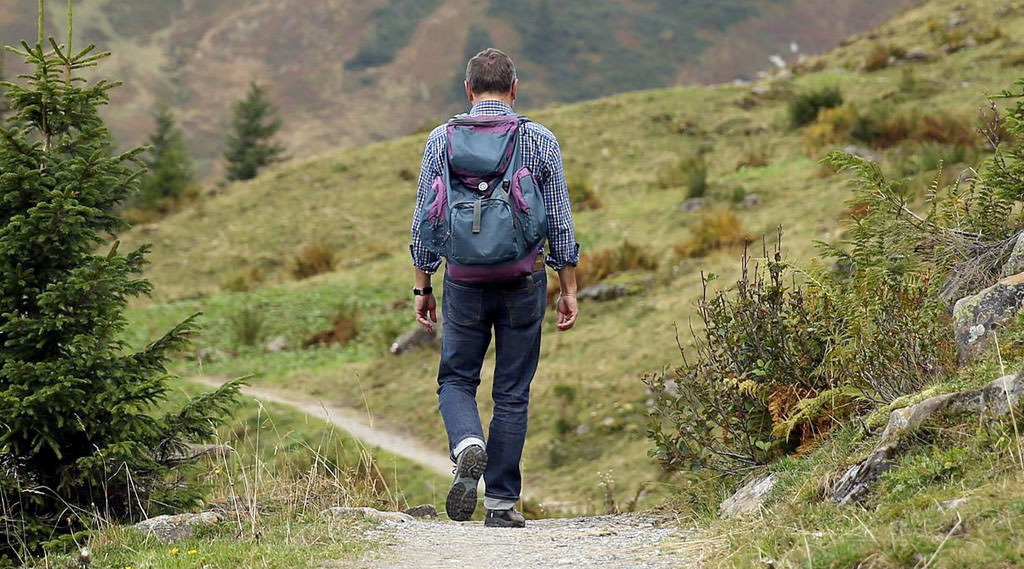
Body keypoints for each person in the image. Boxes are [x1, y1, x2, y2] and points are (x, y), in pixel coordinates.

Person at [409, 48, 580, 528]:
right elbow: (560, 221)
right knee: (512, 390)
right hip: (523, 279)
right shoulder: (539, 139)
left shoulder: (441, 139)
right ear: (514, 88)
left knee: (456, 379)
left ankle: (468, 444)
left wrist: (422, 285)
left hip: (462, 280)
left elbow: (426, 216)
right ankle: (501, 503)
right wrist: (568, 285)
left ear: (468, 90)